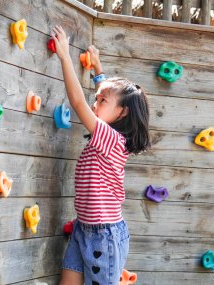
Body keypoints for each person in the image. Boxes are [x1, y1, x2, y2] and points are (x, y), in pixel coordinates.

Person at [52, 25, 150, 285]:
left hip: (103, 236)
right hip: (84, 228)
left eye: (101, 101)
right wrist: (97, 69)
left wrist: (64, 56)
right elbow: (108, 97)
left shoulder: (113, 140)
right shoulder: (108, 131)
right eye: (96, 100)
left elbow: (78, 103)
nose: (95, 104)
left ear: (123, 113)